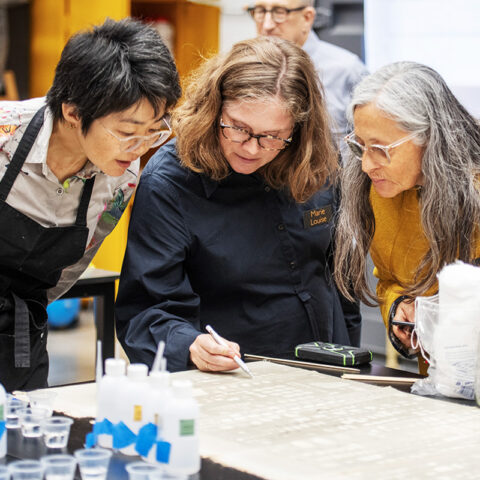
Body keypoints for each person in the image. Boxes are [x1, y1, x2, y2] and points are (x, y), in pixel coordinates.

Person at [115, 36, 361, 374]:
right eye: (238, 129)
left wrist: (352, 356)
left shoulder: (314, 162)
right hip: (231, 375)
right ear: (213, 109)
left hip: (324, 367)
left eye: (273, 136)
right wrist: (189, 345)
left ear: (299, 130)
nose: (251, 149)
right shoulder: (170, 183)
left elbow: (340, 278)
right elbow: (145, 311)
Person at [0, 18, 181, 392]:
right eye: (128, 132)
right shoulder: (5, 136)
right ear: (73, 112)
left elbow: (72, 265)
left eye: (153, 132)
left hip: (16, 330)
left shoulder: (123, 176)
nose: (140, 148)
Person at [333, 61, 480, 369]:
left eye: (381, 149)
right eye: (361, 147)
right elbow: (390, 279)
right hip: (446, 379)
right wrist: (403, 308)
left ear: (429, 136)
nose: (367, 166)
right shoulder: (381, 189)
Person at [247, 0, 367, 139]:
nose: (267, 25)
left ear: (307, 18)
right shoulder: (245, 67)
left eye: (279, 12)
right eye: (261, 11)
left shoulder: (346, 70)